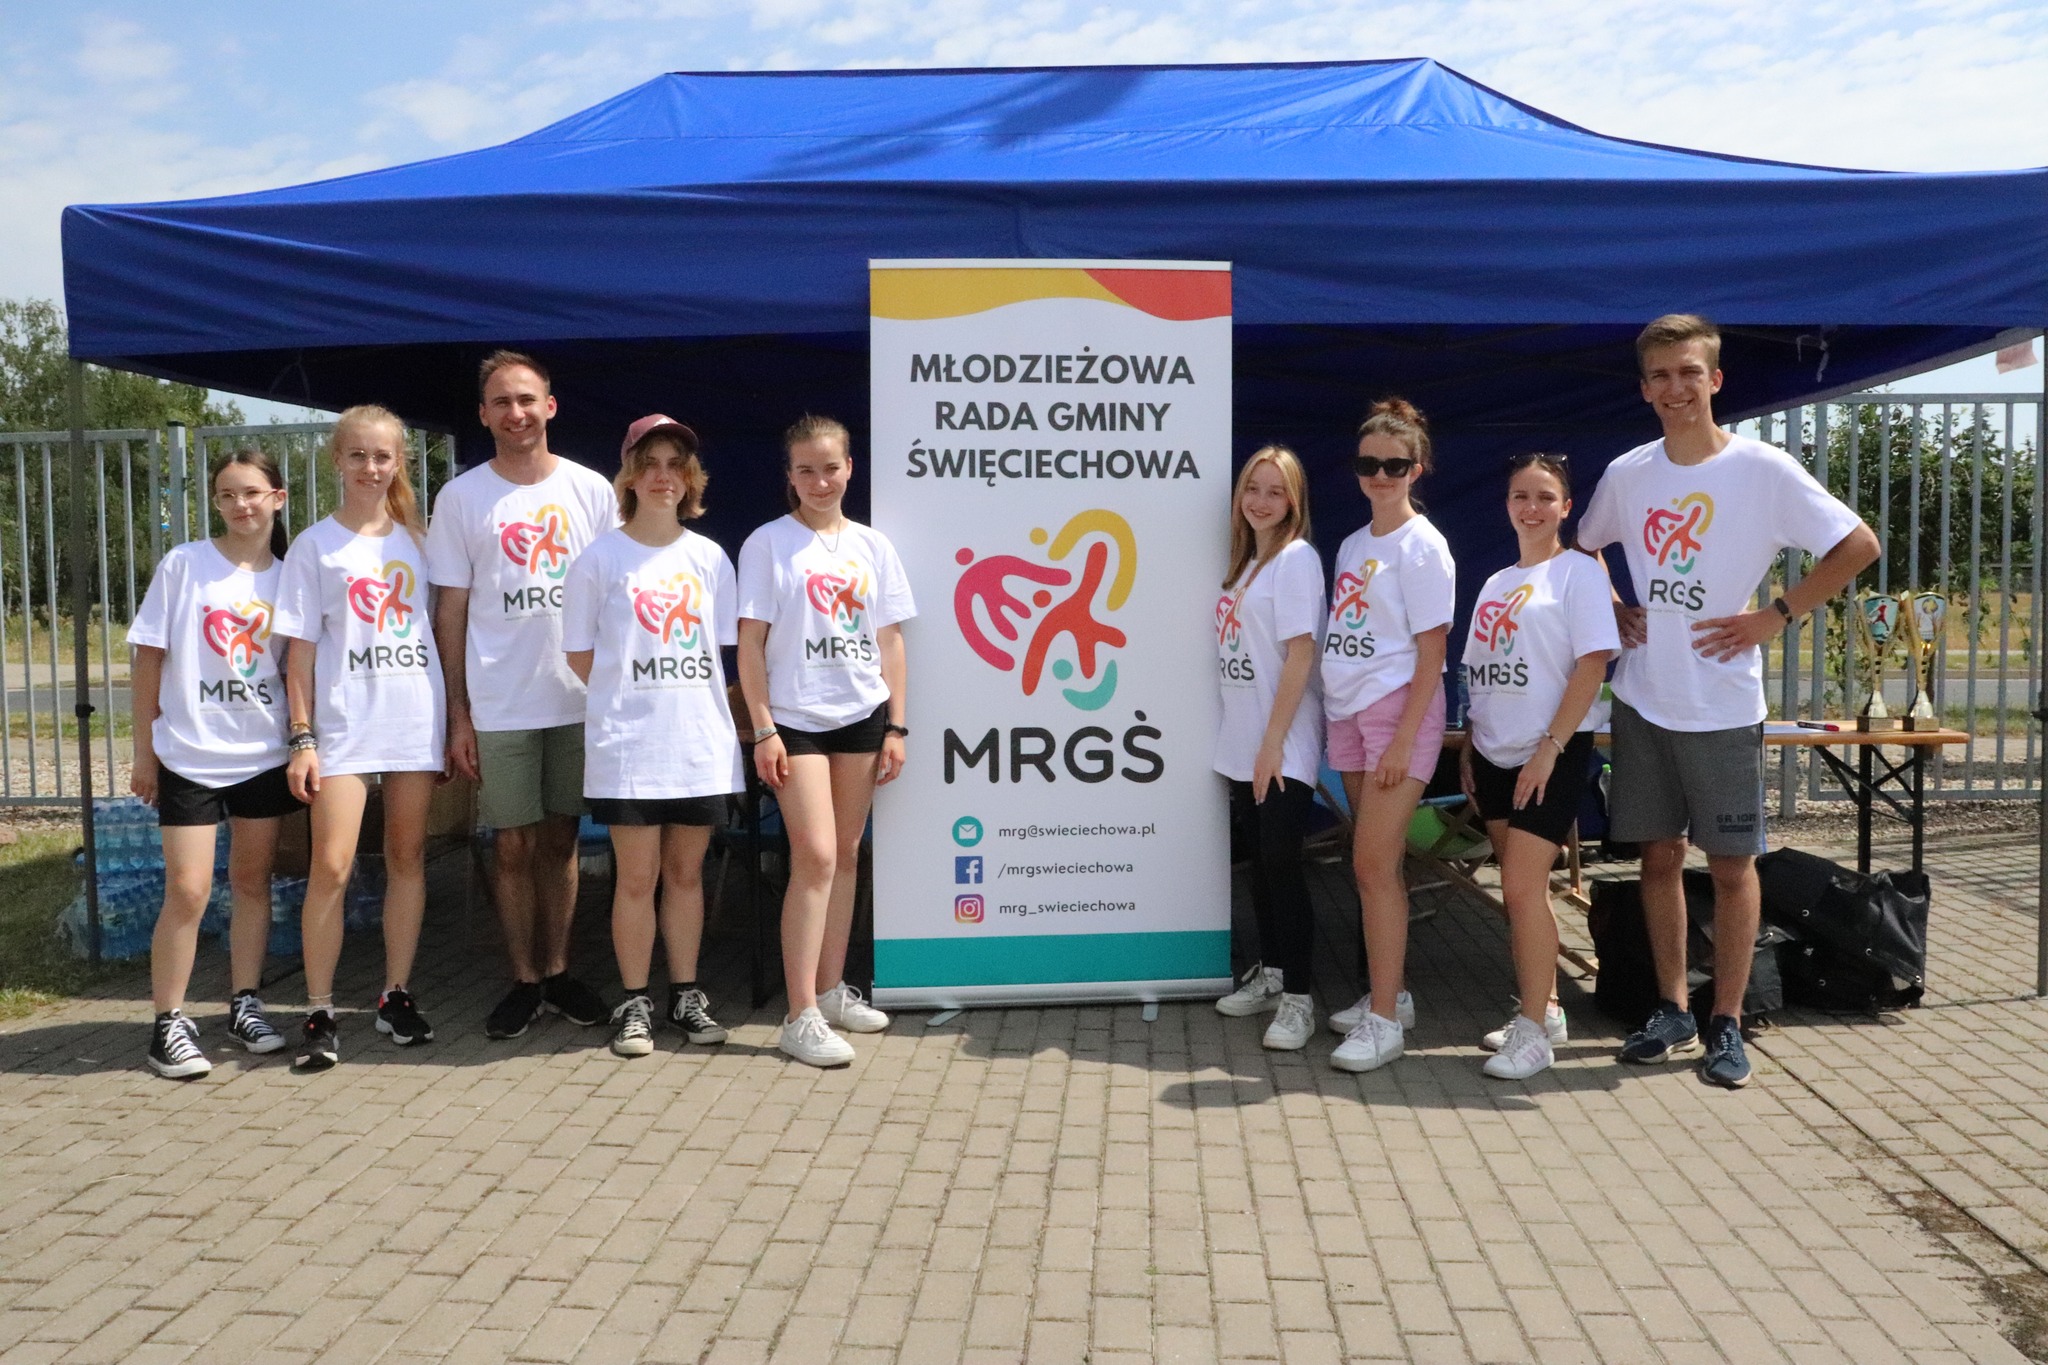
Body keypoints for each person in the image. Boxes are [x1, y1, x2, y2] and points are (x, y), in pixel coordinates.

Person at [1578, 314, 1879, 1088]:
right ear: (1644, 389)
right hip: (1644, 698)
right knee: (1657, 858)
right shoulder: (1628, 472)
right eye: (1661, 375)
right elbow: (1583, 549)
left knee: (1734, 866)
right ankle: (1673, 1007)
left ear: (1715, 379)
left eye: (1689, 372)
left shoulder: (1763, 470)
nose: (1675, 387)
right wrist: (1613, 605)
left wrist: (1775, 613)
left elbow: (1859, 544)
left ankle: (1728, 1020)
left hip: (1722, 705)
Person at [426, 351, 618, 1039]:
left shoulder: (592, 490)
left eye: (527, 399)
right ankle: (524, 979)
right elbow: (450, 612)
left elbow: (617, 599)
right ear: (483, 414)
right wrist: (458, 714)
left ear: (550, 406)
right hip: (500, 703)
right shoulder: (461, 498)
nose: (517, 413)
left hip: (575, 701)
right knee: (511, 844)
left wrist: (614, 696)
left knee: (561, 842)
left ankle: (559, 971)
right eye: (502, 402)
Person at [274, 405, 448, 1071]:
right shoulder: (315, 546)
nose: (371, 467)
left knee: (407, 857)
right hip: (344, 726)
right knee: (332, 865)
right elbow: (298, 656)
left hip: (412, 719)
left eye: (382, 456)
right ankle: (319, 1009)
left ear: (399, 462)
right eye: (358, 455)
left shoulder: (421, 542)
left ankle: (395, 994)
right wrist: (302, 737)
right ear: (337, 460)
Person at [737, 415, 913, 1068]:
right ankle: (800, 1013)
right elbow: (750, 646)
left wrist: (896, 724)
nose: (819, 481)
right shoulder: (767, 543)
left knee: (844, 854)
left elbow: (890, 641)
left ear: (849, 469)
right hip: (794, 719)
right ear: (789, 476)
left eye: (830, 467)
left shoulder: (873, 545)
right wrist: (763, 728)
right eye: (806, 470)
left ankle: (833, 990)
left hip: (862, 714)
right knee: (813, 856)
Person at [562, 416, 741, 1058]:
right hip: (629, 750)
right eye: (650, 463)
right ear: (630, 476)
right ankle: (635, 1001)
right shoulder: (598, 559)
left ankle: (685, 994)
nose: (663, 475)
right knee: (636, 880)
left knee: (686, 876)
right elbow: (580, 655)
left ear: (689, 478)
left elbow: (723, 654)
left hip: (698, 746)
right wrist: (630, 697)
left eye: (675, 464)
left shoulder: (710, 558)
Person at [128, 450, 298, 1078]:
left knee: (252, 883)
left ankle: (245, 1003)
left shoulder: (290, 578)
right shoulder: (185, 565)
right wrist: (144, 752)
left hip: (262, 755)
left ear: (277, 498)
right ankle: (168, 1023)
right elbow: (148, 659)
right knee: (189, 889)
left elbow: (297, 668)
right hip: (189, 755)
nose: (240, 505)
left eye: (251, 492)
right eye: (227, 495)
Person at [1458, 452, 1618, 1080]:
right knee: (1519, 892)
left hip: (1549, 753)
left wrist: (1550, 748)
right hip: (1494, 752)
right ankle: (1545, 1007)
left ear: (1566, 507)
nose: (1532, 508)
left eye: (1545, 497)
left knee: (1522, 888)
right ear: (1506, 505)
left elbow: (1592, 666)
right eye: (1521, 496)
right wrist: (1470, 744)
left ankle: (1533, 1034)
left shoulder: (1578, 573)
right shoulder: (1496, 582)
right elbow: (1479, 671)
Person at [1320, 399, 1455, 1074]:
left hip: (1397, 712)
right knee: (1378, 864)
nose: (1379, 474)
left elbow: (1433, 652)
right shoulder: (1353, 544)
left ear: (1416, 468)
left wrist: (1403, 740)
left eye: (1394, 465)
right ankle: (1390, 996)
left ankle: (1383, 1022)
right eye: (1369, 463)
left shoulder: (1423, 546)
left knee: (1371, 865)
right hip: (1348, 710)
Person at [1210, 446, 1327, 1050]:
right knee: (1258, 864)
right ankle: (1274, 973)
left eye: (1275, 491)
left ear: (1293, 502)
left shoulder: (1296, 560)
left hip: (1282, 741)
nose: (1260, 501)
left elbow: (1301, 654)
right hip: (1242, 738)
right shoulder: (1245, 565)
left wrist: (1273, 743)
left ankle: (1300, 1000)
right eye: (1252, 489)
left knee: (1282, 865)